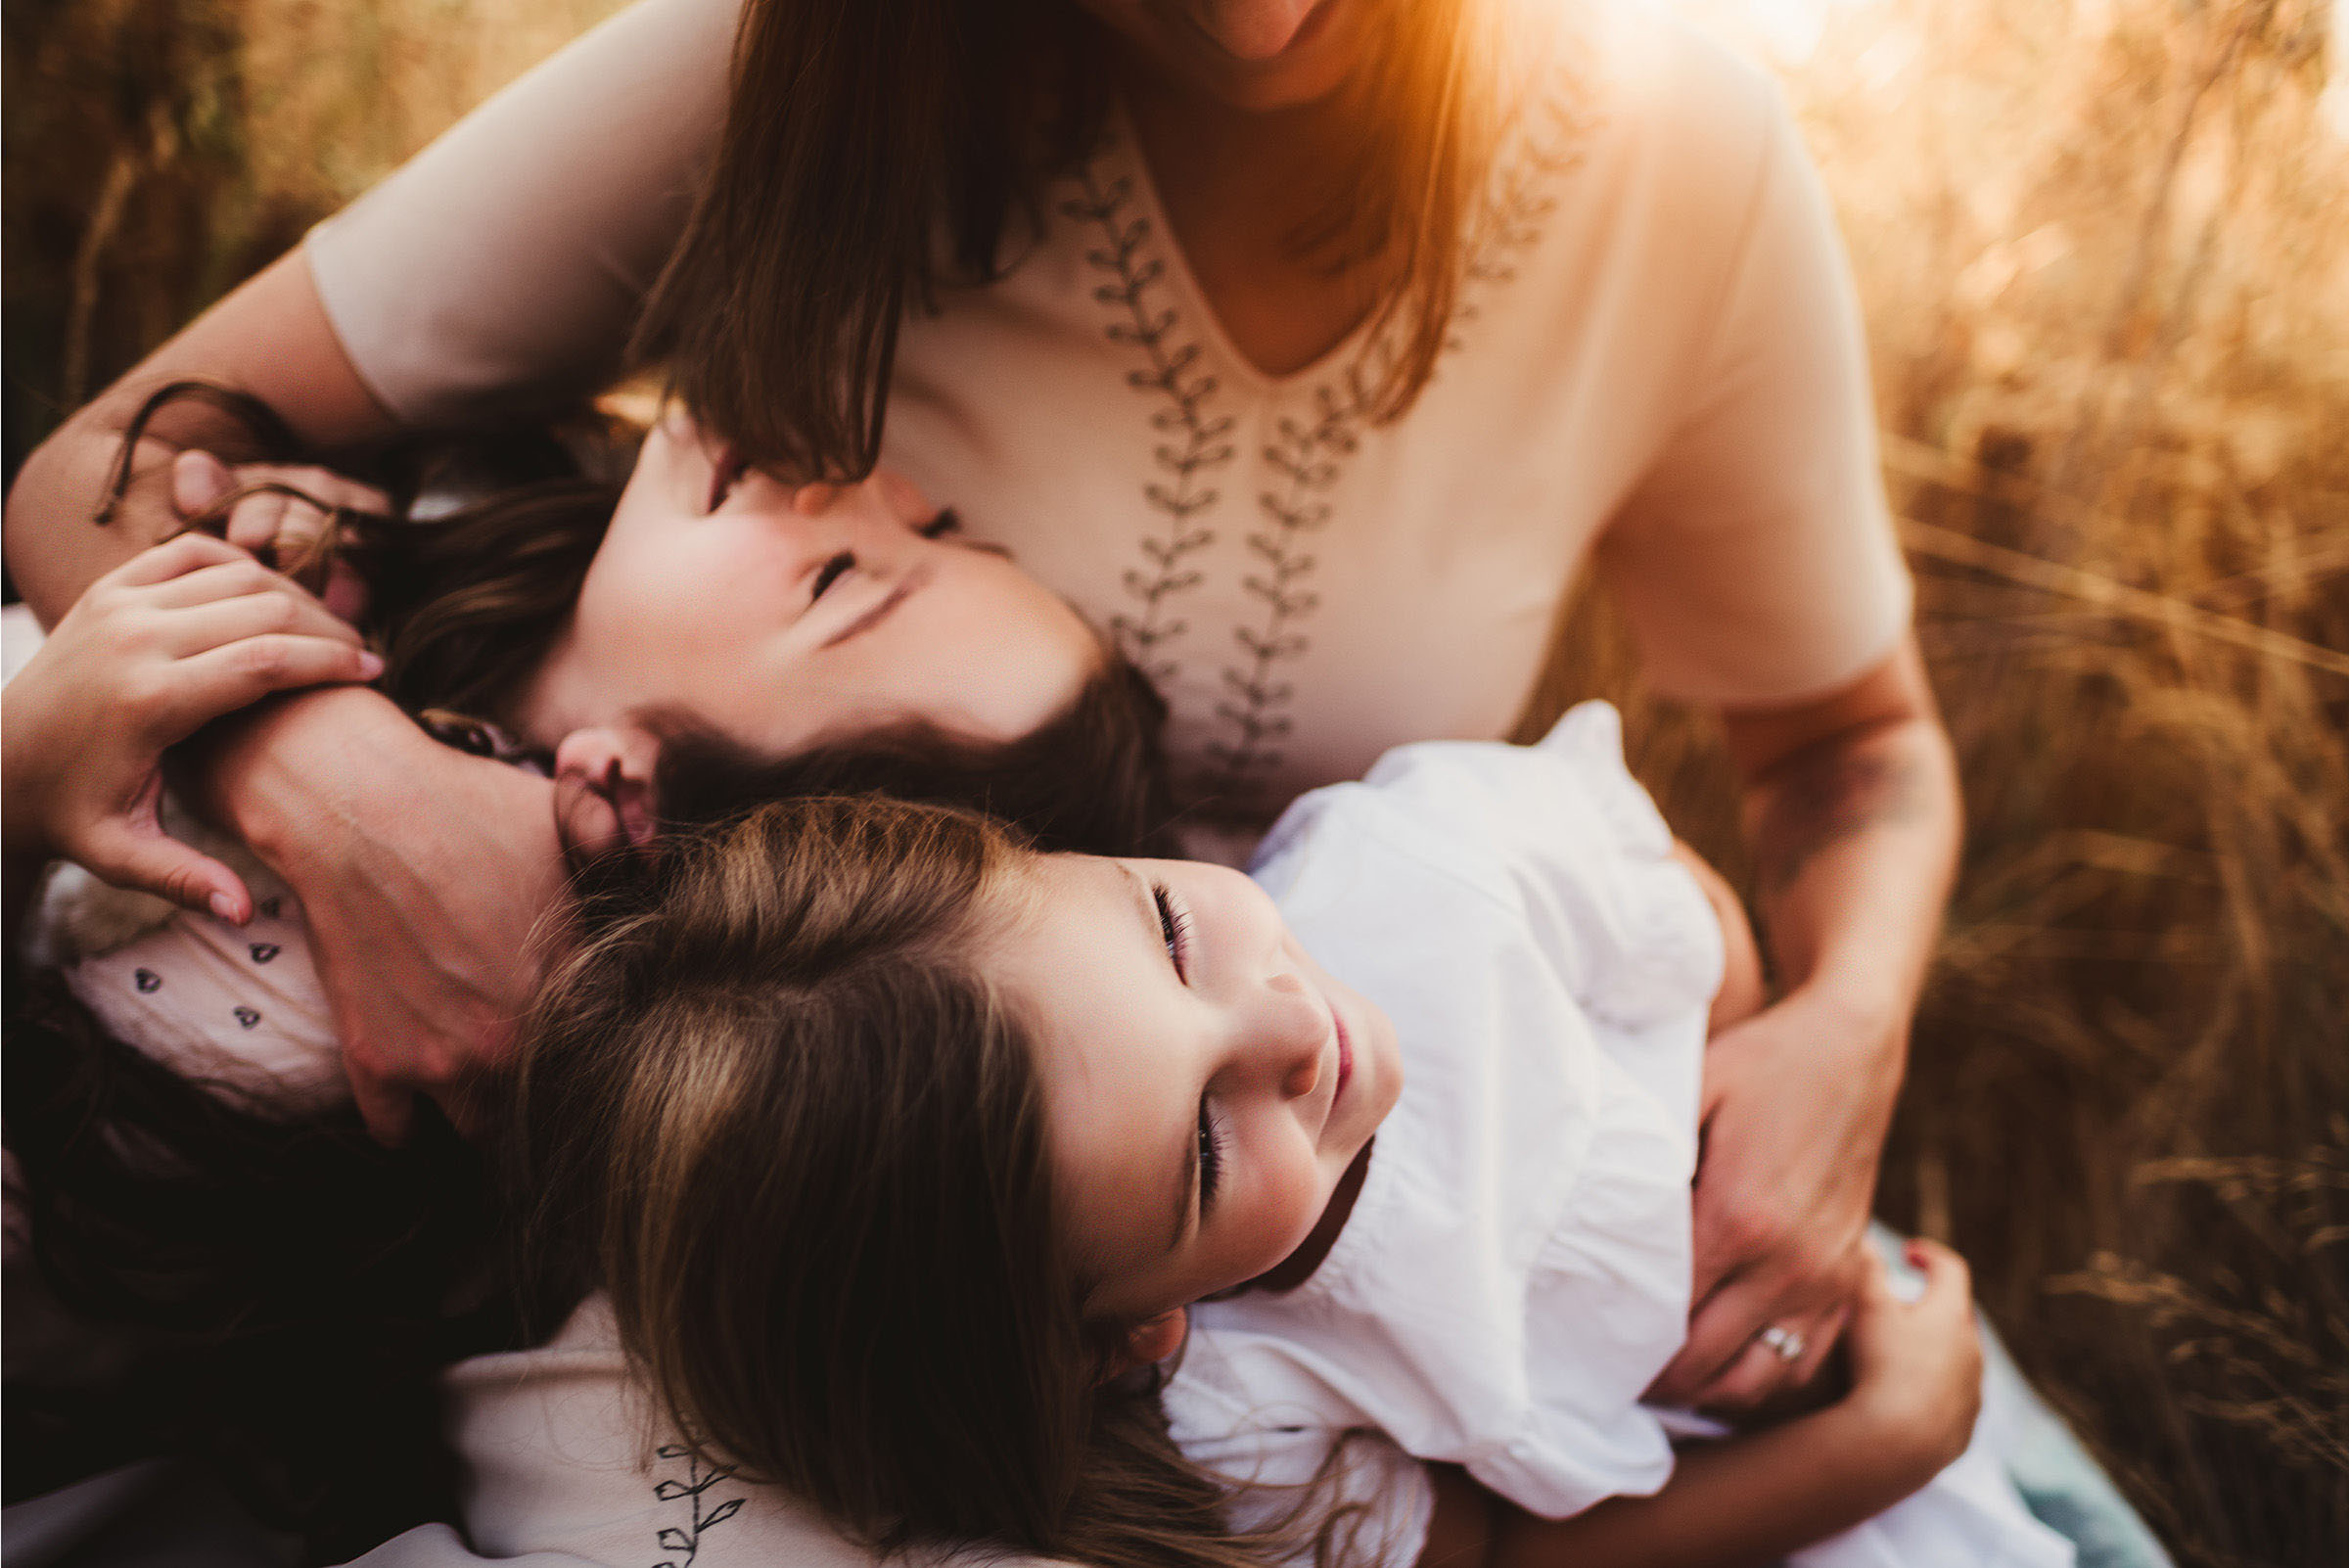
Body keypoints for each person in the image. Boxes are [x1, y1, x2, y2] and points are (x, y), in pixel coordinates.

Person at [6, 0, 1960, 1417]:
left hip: (1282, 1196)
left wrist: (1846, 1035)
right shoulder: (801, 61)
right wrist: (338, 778)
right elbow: (120, 453)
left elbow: (1849, 748)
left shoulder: (1677, 148)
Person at [0, 394, 1174, 1557]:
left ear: (630, 799)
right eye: (948, 524)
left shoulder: (309, 1028)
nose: (873, 485)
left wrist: (21, 772)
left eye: (835, 582)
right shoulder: (434, 531)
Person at [472, 735, 2079, 1568]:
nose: (1282, 1037)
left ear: (1072, 854)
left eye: (1170, 934)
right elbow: (1509, 1565)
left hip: (1828, 1284)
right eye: (1195, 1154)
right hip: (1804, 1495)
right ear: (1131, 1328)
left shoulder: (1435, 860)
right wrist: (1895, 1436)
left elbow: (1705, 946)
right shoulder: (1239, 1417)